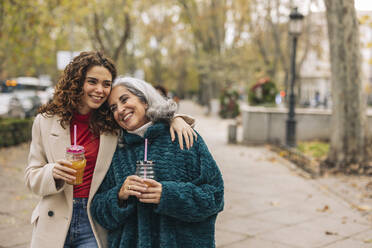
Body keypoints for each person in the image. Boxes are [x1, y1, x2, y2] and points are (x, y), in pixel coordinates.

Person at [25, 51, 196, 248]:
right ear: (77, 81)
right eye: (92, 81)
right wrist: (52, 172)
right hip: (53, 219)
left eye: (106, 84)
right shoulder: (45, 122)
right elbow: (31, 175)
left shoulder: (112, 122)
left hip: (94, 221)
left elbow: (146, 118)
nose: (100, 90)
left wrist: (176, 119)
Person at [91, 77, 224, 248]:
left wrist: (168, 195)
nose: (120, 110)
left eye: (125, 99)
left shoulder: (183, 137)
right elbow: (99, 211)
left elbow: (215, 196)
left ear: (145, 101)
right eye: (113, 107)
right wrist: (119, 195)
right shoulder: (115, 151)